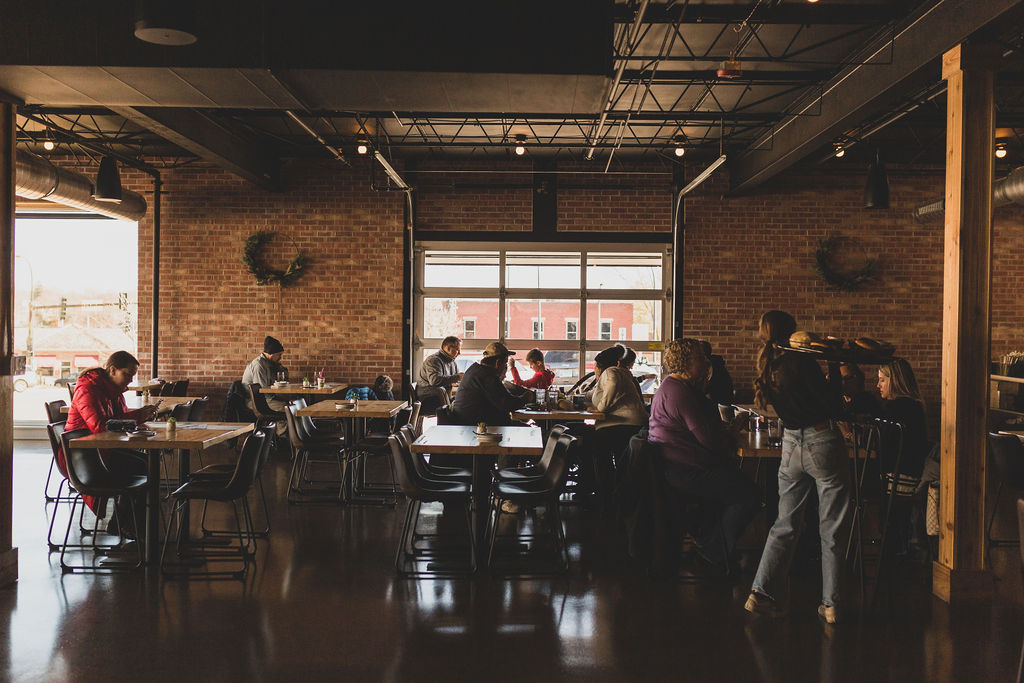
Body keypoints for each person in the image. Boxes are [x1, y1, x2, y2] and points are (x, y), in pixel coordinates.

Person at [745, 310, 851, 625]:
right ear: (791, 332)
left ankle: (760, 592)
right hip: (822, 441)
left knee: (784, 524)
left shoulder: (768, 364)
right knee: (831, 527)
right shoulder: (802, 361)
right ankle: (831, 605)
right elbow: (833, 404)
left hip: (791, 445)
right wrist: (833, 361)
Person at [647, 339, 759, 570]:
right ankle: (714, 551)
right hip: (686, 470)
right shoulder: (680, 393)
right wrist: (734, 431)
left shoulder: (672, 387)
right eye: (700, 358)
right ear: (686, 362)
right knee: (749, 496)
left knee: (736, 486)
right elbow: (710, 441)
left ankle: (711, 541)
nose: (705, 363)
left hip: (675, 466)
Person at [64, 351, 158, 537]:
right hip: (85, 458)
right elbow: (100, 426)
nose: (130, 380)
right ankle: (131, 528)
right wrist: (138, 416)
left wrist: (139, 418)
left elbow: (118, 421)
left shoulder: (114, 391)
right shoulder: (87, 389)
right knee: (145, 466)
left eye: (133, 375)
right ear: (113, 370)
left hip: (102, 451)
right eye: (128, 374)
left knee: (147, 464)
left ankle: (126, 525)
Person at [876, 358, 933, 557]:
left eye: (882, 380)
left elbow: (881, 445)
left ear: (895, 381)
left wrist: (850, 434)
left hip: (898, 478)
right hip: (911, 472)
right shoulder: (913, 406)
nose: (878, 385)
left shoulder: (896, 408)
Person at [587, 345, 649, 502]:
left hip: (622, 424)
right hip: (634, 425)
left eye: (595, 366)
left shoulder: (611, 372)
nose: (594, 369)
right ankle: (605, 488)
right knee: (596, 440)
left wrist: (600, 409)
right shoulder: (625, 373)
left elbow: (612, 385)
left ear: (600, 367)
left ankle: (604, 490)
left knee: (592, 442)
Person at [450, 342, 528, 427]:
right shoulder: (487, 376)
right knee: (529, 430)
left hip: (469, 422)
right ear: (497, 363)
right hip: (476, 427)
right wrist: (526, 398)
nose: (505, 367)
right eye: (505, 363)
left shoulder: (475, 369)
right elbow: (507, 404)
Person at [242, 335, 289, 435]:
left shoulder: (269, 363)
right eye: (279, 355)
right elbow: (263, 391)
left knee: (291, 406)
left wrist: (280, 368)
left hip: (265, 398)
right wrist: (282, 399)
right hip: (255, 401)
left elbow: (282, 379)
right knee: (287, 409)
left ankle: (283, 435)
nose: (280, 358)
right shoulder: (259, 365)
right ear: (271, 354)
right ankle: (282, 436)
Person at [417, 336, 463, 412]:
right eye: (457, 350)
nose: (459, 353)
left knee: (464, 400)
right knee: (462, 405)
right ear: (448, 348)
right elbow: (435, 381)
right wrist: (457, 377)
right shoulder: (433, 360)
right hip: (429, 398)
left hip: (442, 396)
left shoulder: (452, 362)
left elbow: (455, 379)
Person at [700, 340, 735, 406]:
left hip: (720, 405)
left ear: (703, 354)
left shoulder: (713, 367)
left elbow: (707, 392)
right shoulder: (715, 362)